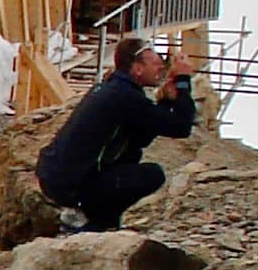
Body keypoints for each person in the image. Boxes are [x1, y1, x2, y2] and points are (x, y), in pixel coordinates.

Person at [36, 35, 199, 232]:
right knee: (152, 174)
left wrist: (164, 101)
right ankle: (92, 221)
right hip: (72, 184)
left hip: (56, 176)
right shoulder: (126, 97)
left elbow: (141, 136)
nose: (160, 69)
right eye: (155, 63)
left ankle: (96, 218)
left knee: (130, 156)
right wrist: (183, 81)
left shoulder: (112, 89)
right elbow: (181, 127)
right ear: (137, 68)